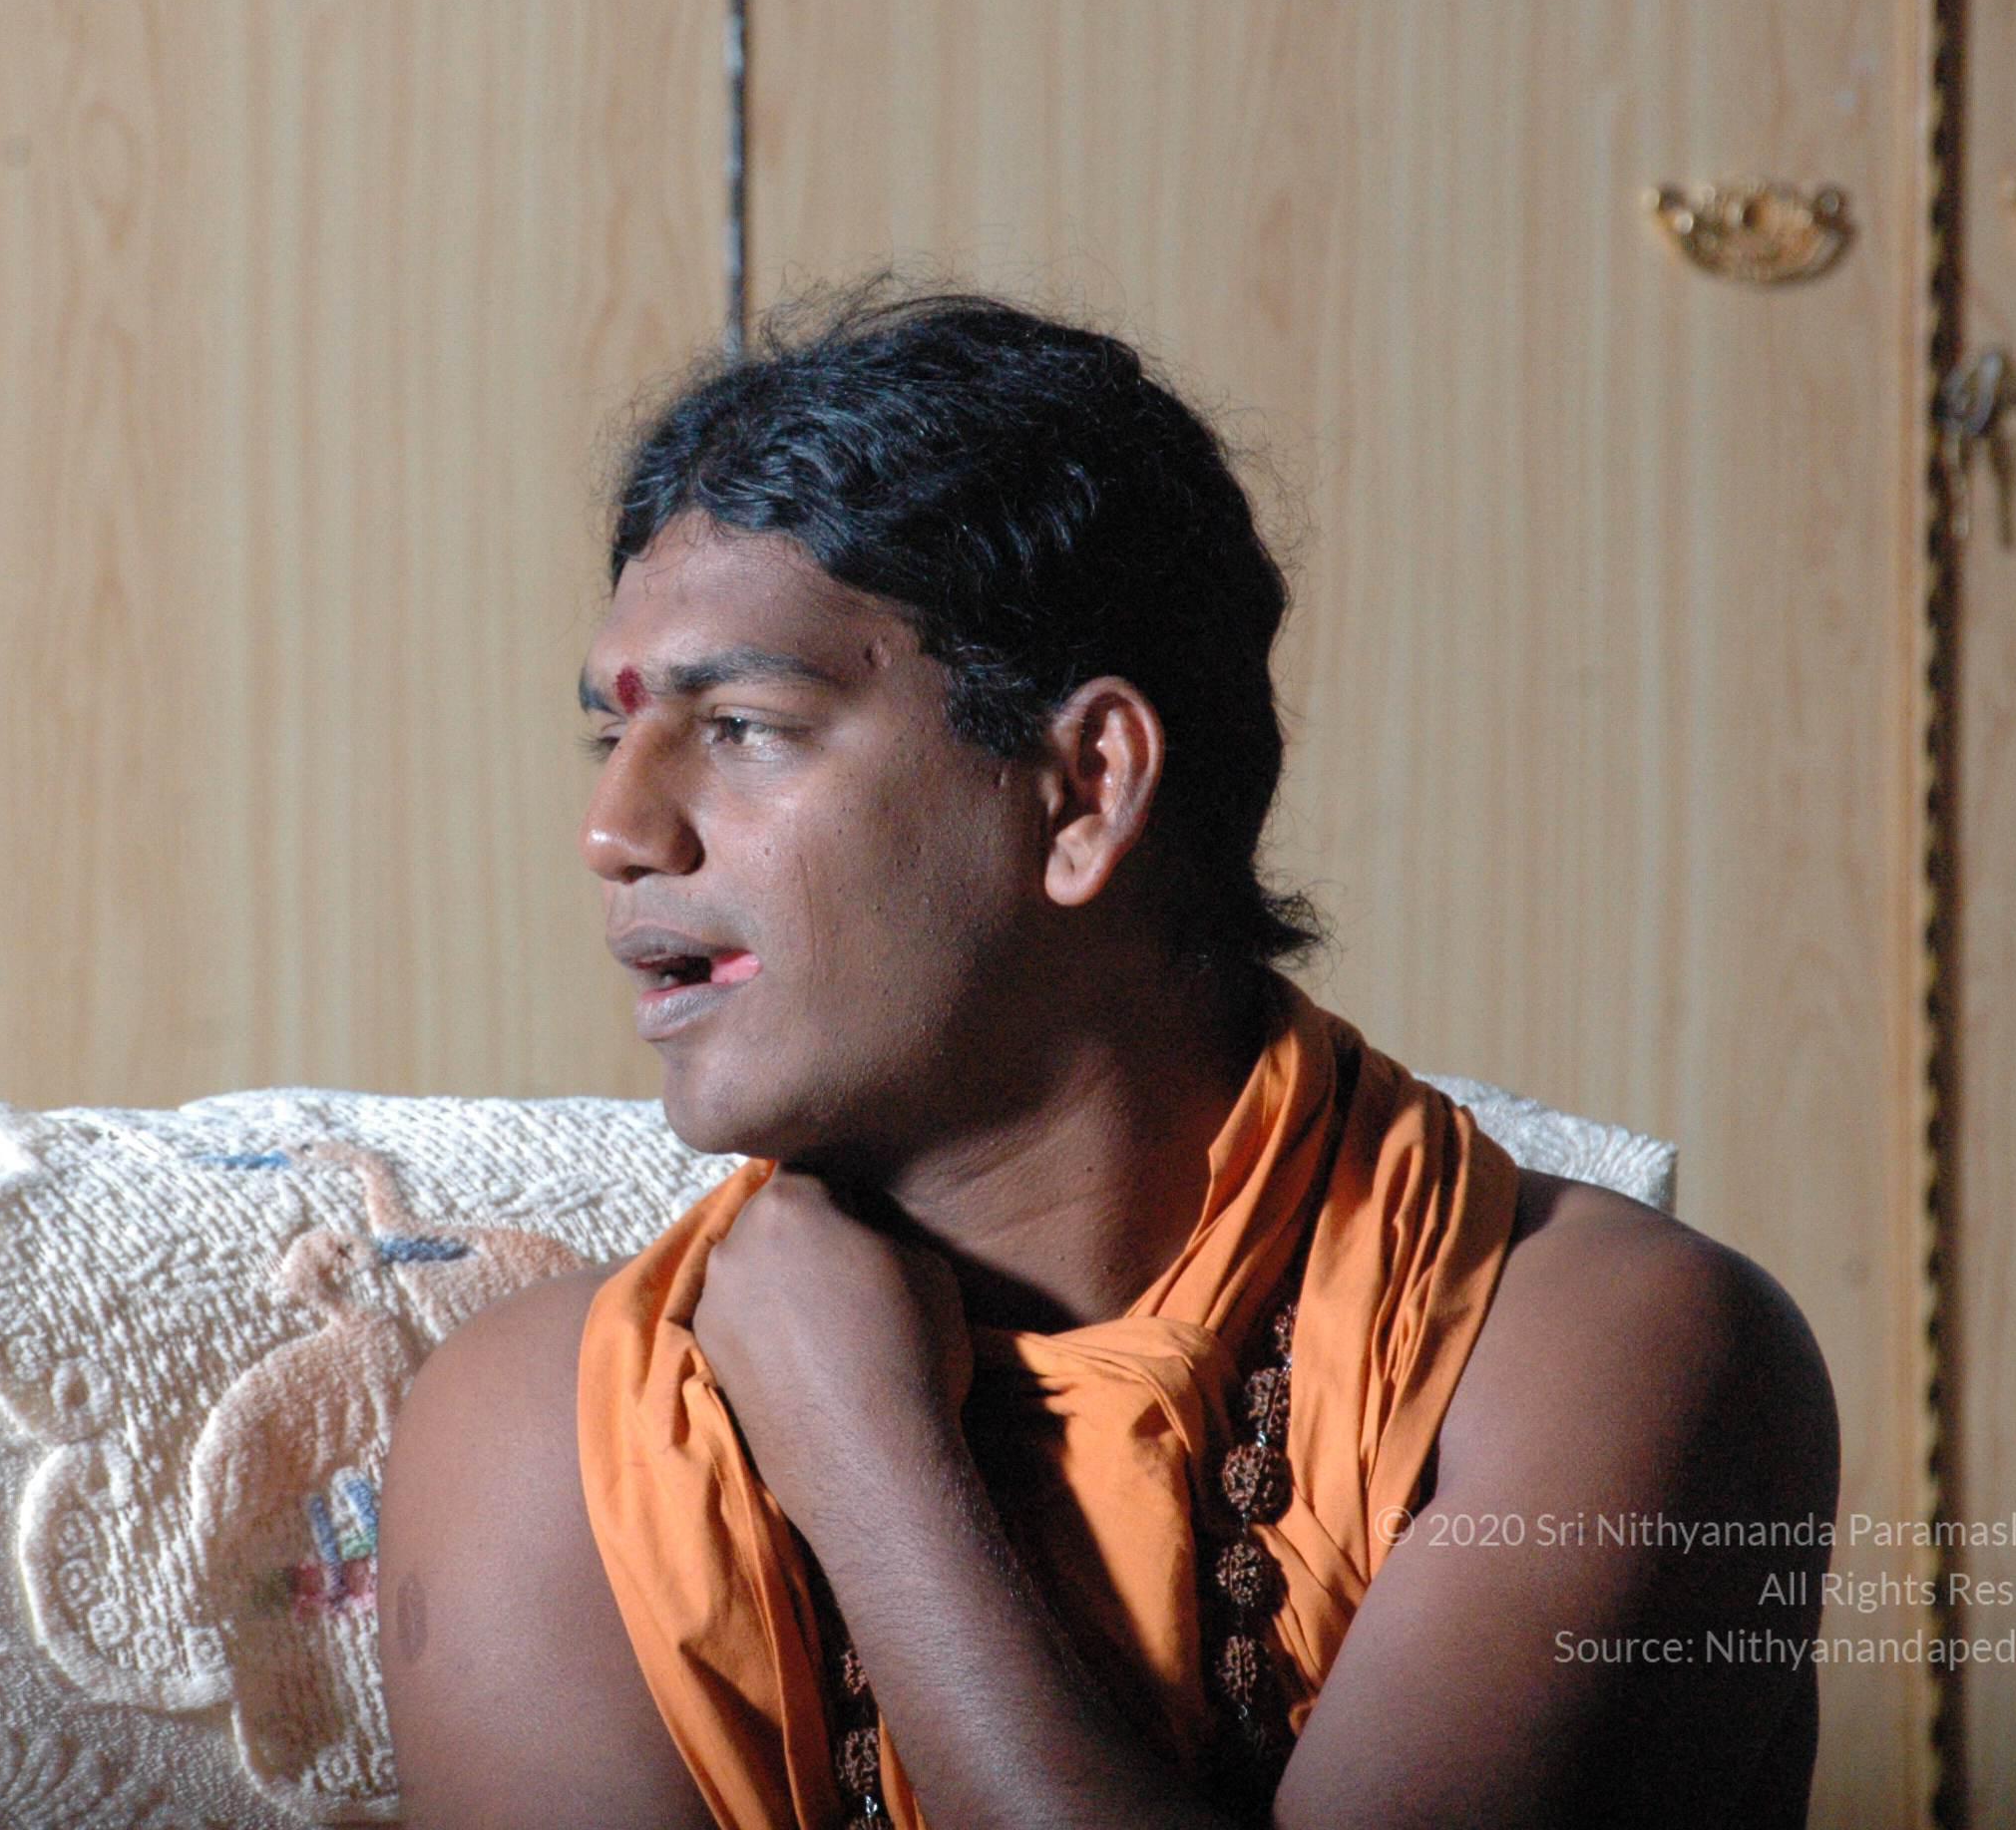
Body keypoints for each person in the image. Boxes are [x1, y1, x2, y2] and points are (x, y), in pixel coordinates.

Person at [376, 281, 1839, 1829]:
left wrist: (873, 1471)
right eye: (610, 740)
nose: (614, 831)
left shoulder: (1604, 1353)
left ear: (1085, 791)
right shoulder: (551, 1442)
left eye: (740, 724)